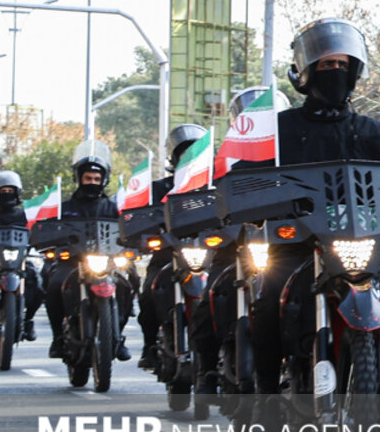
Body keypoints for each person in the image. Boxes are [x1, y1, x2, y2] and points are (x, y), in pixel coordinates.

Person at [247, 18, 380, 432]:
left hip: (366, 246)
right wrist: (249, 199)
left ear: (354, 73)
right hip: (299, 245)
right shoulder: (279, 132)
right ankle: (266, 400)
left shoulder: (375, 133)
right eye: (325, 65)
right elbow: (248, 175)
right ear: (304, 72)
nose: (334, 73)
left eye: (342, 65)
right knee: (266, 305)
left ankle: (379, 388)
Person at [189, 87, 290, 399]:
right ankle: (206, 370)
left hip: (284, 247)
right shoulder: (222, 161)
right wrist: (210, 231)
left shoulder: (294, 153)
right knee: (210, 298)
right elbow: (204, 201)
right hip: (232, 250)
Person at [45, 140, 132, 361]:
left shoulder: (113, 208)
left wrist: (132, 244)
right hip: (73, 262)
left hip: (107, 261)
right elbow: (50, 232)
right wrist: (53, 245)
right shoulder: (64, 208)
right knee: (54, 284)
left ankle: (118, 335)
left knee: (129, 282)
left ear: (104, 180)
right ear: (78, 178)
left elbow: (126, 231)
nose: (92, 182)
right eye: (88, 178)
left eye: (96, 179)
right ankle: (57, 338)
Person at [136, 123, 207, 370]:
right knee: (147, 296)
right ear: (174, 157)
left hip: (206, 256)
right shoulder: (159, 189)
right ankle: (149, 348)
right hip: (166, 255)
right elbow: (142, 217)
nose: (189, 157)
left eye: (194, 151)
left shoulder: (214, 185)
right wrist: (144, 234)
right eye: (184, 153)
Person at [0, 171, 43, 341]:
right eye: (3, 191)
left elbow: (34, 232)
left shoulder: (25, 214)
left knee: (38, 286)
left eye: (10, 190)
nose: (7, 194)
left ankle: (28, 320)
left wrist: (36, 242)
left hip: (19, 260)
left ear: (17, 192)